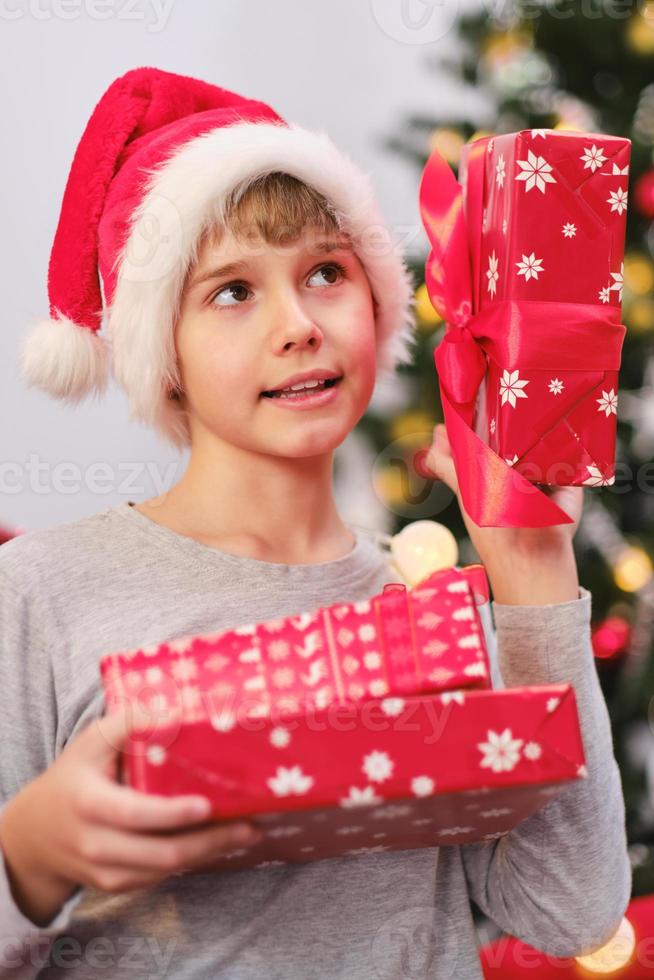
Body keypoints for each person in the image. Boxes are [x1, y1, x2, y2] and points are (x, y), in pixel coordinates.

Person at [0, 67, 630, 979]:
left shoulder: (426, 604)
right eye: (232, 292)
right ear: (160, 354)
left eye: (326, 272)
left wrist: (534, 572)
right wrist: (28, 857)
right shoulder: (39, 593)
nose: (298, 324)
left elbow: (570, 910)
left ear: (376, 300)